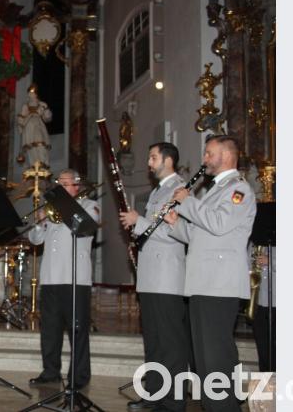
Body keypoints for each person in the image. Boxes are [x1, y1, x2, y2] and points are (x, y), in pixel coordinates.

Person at [164, 135, 256, 411]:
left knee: (217, 358)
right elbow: (197, 235)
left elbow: (218, 223)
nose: (204, 159)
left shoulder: (239, 189)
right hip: (203, 283)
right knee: (204, 360)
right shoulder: (215, 190)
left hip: (220, 285)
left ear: (226, 156)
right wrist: (175, 223)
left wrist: (188, 202)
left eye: (209, 153)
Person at [119, 143, 190, 411]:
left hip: (167, 278)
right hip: (150, 276)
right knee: (154, 342)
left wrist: (138, 221)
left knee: (170, 343)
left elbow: (173, 232)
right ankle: (154, 393)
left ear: (168, 160)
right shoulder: (158, 191)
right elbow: (153, 232)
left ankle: (173, 401)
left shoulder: (180, 190)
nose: (149, 163)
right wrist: (137, 235)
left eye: (153, 157)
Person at [28, 168, 100, 388]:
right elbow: (35, 239)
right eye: (58, 183)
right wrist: (40, 222)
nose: (60, 187)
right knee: (50, 329)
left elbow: (85, 227)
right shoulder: (51, 209)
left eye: (65, 184)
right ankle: (50, 371)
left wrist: (63, 206)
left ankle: (79, 376)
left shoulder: (90, 206)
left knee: (77, 330)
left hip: (75, 278)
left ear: (77, 186)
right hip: (50, 277)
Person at [251, 245, 275, 372]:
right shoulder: (256, 241)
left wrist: (271, 261)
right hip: (259, 301)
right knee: (263, 348)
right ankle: (266, 381)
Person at [16, 84, 52, 168]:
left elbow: (47, 118)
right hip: (28, 126)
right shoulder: (26, 105)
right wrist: (20, 126)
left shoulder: (42, 104)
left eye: (32, 93)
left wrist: (46, 108)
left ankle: (43, 163)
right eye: (29, 93)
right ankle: (33, 165)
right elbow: (21, 118)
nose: (30, 94)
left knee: (41, 144)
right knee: (31, 146)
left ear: (36, 94)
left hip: (39, 125)